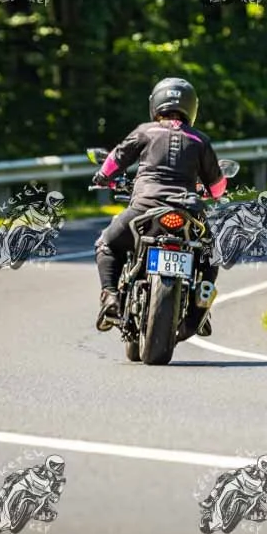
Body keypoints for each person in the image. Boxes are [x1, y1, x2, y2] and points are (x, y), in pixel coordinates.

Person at [91, 77, 228, 338]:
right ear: (191, 107)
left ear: (155, 104)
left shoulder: (145, 131)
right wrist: (210, 192)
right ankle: (202, 303)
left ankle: (110, 297)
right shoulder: (200, 140)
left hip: (145, 206)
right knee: (211, 253)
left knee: (106, 244)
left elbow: (116, 159)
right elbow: (218, 187)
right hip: (188, 210)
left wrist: (102, 176)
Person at [200, 455, 267, 524]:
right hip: (242, 487)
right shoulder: (253, 467)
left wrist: (266, 496)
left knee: (265, 515)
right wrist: (231, 474)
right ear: (262, 463)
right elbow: (239, 471)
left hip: (253, 497)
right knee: (224, 477)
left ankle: (241, 515)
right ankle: (210, 500)